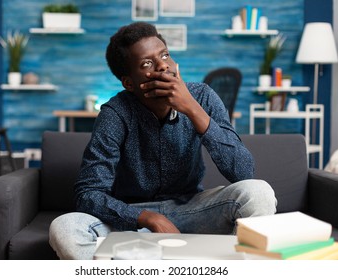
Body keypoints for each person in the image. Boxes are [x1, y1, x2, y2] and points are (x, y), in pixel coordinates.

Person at [49, 22, 277, 259]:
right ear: (129, 83)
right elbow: (88, 193)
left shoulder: (202, 97)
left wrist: (193, 109)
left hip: (191, 210)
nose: (163, 66)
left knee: (258, 192)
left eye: (165, 55)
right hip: (132, 218)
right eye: (147, 63)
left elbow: (244, 172)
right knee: (65, 227)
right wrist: (147, 218)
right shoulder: (115, 114)